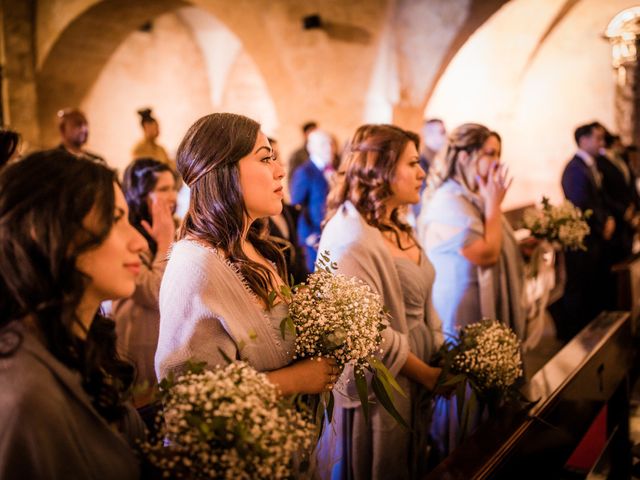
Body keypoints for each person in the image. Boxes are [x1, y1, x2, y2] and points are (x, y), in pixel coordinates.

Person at [155, 113, 337, 398]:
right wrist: (294, 380)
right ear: (222, 170)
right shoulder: (195, 266)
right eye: (265, 159)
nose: (280, 170)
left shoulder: (253, 246)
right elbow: (188, 394)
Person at [0, 150, 147, 478]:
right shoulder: (27, 398)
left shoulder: (78, 340)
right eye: (114, 220)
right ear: (51, 232)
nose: (138, 242)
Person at [317, 124, 443, 480]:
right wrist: (428, 375)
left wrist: (440, 348)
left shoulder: (397, 225)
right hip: (384, 385)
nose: (422, 173)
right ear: (381, 169)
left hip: (418, 369)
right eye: (412, 164)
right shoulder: (350, 237)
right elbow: (368, 333)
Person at [417, 123, 525, 457]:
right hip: (460, 310)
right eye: (489, 154)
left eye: (498, 155)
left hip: (478, 302)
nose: (495, 163)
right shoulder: (449, 200)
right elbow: (486, 254)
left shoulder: (471, 196)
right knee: (466, 392)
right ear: (464, 156)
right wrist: (494, 203)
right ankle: (459, 459)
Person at [112, 158, 178, 407]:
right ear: (141, 194)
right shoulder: (128, 236)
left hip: (167, 342)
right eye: (162, 189)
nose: (172, 196)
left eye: (173, 188)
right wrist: (164, 243)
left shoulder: (174, 226)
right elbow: (155, 293)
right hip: (138, 346)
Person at [554, 122, 616, 341]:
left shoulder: (591, 165)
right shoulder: (575, 169)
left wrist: (609, 218)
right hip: (583, 239)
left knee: (590, 286)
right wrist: (602, 225)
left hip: (594, 237)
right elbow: (582, 204)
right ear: (583, 140)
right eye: (597, 138)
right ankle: (574, 334)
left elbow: (600, 198)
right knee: (579, 287)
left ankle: (589, 330)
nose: (601, 142)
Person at [267, 137, 310, 284]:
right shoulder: (253, 221)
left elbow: (295, 250)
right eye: (270, 158)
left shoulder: (282, 204)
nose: (282, 165)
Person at [290, 129, 333, 271]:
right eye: (323, 145)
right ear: (311, 148)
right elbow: (296, 205)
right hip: (314, 237)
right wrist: (308, 235)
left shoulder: (330, 169)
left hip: (328, 232)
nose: (328, 149)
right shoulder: (305, 171)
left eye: (329, 144)